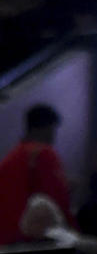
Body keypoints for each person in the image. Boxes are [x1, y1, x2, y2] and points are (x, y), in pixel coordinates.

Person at [0, 105, 70, 246]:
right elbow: (56, 198)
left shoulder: (11, 157)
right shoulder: (43, 154)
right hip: (34, 241)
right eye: (53, 130)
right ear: (46, 128)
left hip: (6, 239)